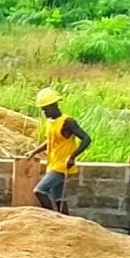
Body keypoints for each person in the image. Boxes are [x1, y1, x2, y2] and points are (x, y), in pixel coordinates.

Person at [26, 86, 92, 214]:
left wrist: (72, 156)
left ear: (54, 105)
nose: (44, 113)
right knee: (59, 200)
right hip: (52, 164)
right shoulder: (50, 122)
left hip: (62, 166)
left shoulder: (68, 122)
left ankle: (51, 219)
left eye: (46, 109)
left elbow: (86, 139)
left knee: (40, 191)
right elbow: (50, 141)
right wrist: (34, 152)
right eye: (42, 110)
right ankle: (65, 222)